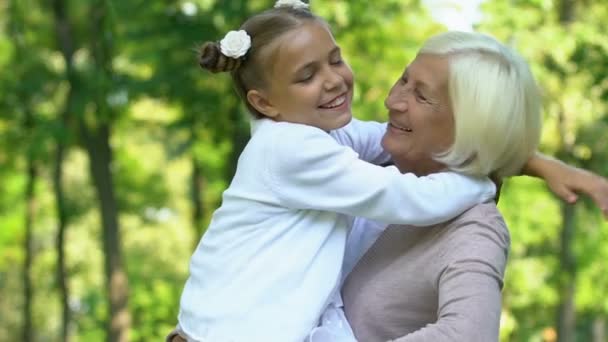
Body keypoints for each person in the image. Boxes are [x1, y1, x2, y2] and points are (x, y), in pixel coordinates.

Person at [170, 2, 499, 341]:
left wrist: (516, 154)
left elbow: (387, 139)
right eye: (307, 76)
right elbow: (404, 196)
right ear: (265, 103)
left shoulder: (312, 133)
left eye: (335, 60)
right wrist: (479, 184)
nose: (333, 80)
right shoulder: (291, 150)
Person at [309, 31, 608, 342]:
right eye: (403, 80)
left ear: (469, 131)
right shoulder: (378, 162)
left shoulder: (474, 227)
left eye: (421, 96)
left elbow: (469, 335)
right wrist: (542, 165)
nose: (392, 101)